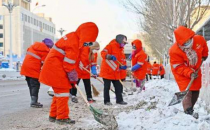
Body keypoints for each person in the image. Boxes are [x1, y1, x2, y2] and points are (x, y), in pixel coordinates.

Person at [39, 22, 99, 124]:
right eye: (90, 39)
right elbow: (68, 63)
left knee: (58, 94)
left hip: (54, 68)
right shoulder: (74, 43)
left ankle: (53, 115)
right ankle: (62, 117)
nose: (89, 42)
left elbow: (83, 48)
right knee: (63, 93)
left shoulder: (75, 37)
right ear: (87, 35)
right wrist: (72, 75)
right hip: (56, 69)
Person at [169, 26, 208, 118]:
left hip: (196, 68)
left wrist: (204, 55)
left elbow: (204, 47)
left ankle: (191, 108)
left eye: (189, 41)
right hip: (181, 72)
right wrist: (189, 73)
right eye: (184, 43)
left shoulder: (199, 39)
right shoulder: (174, 51)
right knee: (187, 91)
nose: (187, 43)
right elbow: (178, 66)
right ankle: (188, 111)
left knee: (195, 90)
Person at [20, 38, 54, 108]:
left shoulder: (32, 46)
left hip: (25, 67)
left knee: (31, 84)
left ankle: (33, 100)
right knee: (35, 85)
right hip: (33, 68)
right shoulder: (46, 51)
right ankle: (34, 102)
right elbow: (46, 63)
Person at [100, 34, 128, 105]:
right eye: (123, 43)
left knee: (118, 86)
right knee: (107, 87)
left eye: (125, 43)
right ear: (119, 41)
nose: (124, 44)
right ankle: (107, 101)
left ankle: (119, 100)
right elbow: (103, 53)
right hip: (107, 71)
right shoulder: (110, 46)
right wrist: (109, 56)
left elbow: (122, 61)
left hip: (116, 72)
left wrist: (123, 67)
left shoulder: (121, 50)